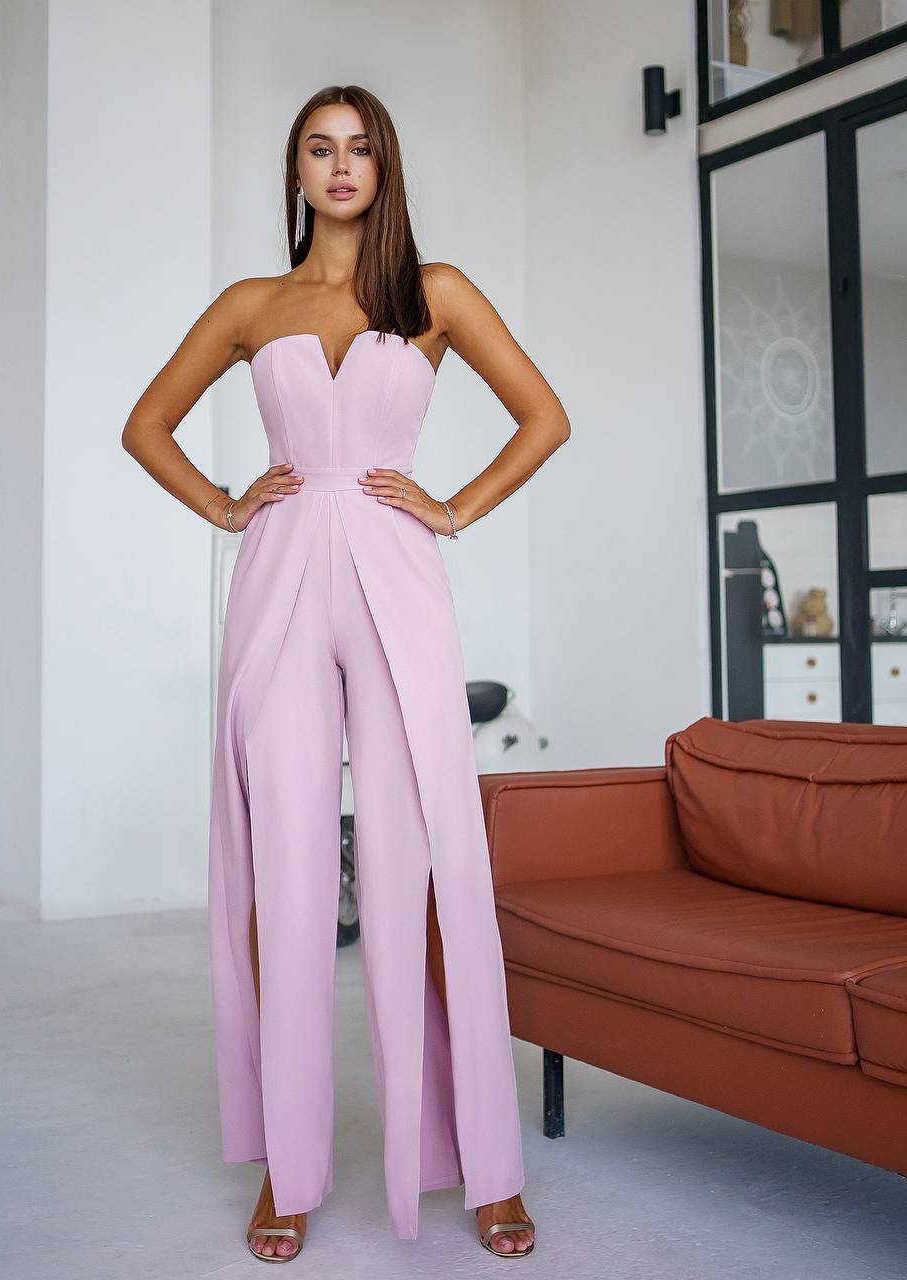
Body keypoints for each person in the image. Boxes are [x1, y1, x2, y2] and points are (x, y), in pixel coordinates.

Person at [122, 83, 570, 1263]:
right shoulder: (251, 303)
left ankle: (483, 1162)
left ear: (385, 167)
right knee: (283, 871)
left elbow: (543, 416)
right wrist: (224, 503)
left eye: (358, 148)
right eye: (319, 149)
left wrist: (454, 505)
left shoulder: (434, 293)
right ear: (296, 170)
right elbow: (146, 423)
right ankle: (288, 1161)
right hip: (276, 577)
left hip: (393, 573)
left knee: (431, 862)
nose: (339, 167)